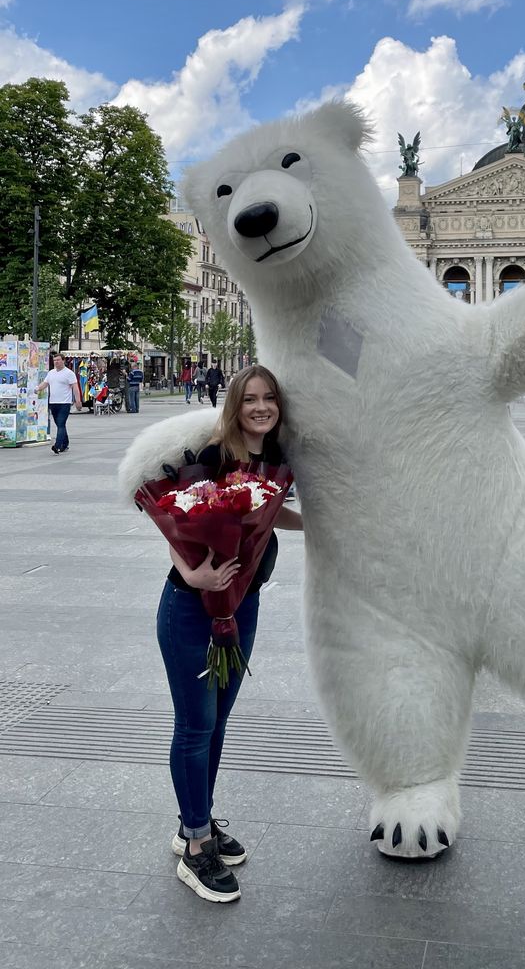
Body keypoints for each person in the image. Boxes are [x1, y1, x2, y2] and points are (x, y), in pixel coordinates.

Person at [158, 365, 303, 903]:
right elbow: (172, 514)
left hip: (244, 605)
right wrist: (193, 572)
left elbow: (267, 517)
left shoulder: (275, 459)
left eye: (270, 399)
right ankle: (196, 847)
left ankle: (197, 819)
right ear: (235, 406)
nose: (261, 407)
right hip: (190, 607)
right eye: (251, 400)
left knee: (216, 722)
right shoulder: (212, 454)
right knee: (196, 724)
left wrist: (315, 521)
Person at [36, 353, 82, 454]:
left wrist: (78, 401)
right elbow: (45, 383)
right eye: (54, 360)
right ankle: (65, 443)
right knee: (59, 424)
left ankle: (57, 446)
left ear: (63, 361)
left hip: (64, 403)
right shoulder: (51, 373)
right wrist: (38, 388)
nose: (56, 362)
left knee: (61, 423)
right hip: (53, 402)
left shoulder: (69, 373)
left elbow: (75, 387)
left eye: (58, 360)